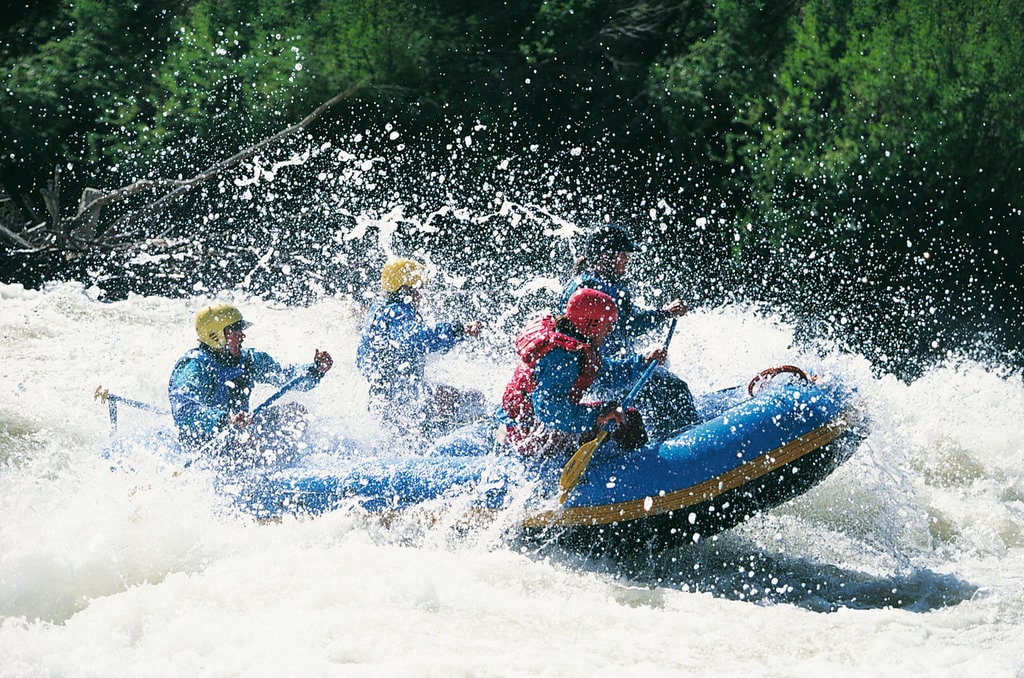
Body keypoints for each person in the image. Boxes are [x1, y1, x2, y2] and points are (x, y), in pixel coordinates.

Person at [560, 223, 698, 439]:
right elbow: (630, 324)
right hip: (604, 375)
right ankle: (687, 444)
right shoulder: (590, 290)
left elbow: (628, 324)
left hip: (609, 370)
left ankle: (669, 438)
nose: (626, 261)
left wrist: (664, 314)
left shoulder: (603, 284)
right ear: (604, 257)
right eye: (622, 255)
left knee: (664, 386)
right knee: (673, 389)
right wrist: (664, 314)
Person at [501, 288, 662, 457]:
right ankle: (638, 472)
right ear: (592, 324)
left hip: (520, 425)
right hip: (528, 434)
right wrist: (596, 416)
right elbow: (549, 411)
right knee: (628, 419)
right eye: (607, 324)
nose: (610, 331)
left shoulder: (572, 342)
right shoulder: (563, 357)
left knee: (614, 412)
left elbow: (607, 373)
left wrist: (643, 362)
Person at [168, 303, 333, 464]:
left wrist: (316, 370)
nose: (242, 336)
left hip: (239, 431)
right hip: (208, 441)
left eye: (241, 329)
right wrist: (226, 421)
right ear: (215, 335)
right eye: (235, 330)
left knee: (296, 413)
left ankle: (289, 464)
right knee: (248, 443)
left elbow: (286, 377)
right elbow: (184, 414)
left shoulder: (249, 360)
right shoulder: (194, 367)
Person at [356, 258, 486, 437]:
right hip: (403, 400)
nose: (423, 293)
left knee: (452, 396)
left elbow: (363, 359)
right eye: (419, 287)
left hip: (386, 395)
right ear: (406, 288)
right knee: (473, 399)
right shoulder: (397, 313)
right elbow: (416, 340)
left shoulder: (379, 310)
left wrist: (458, 336)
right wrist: (457, 329)